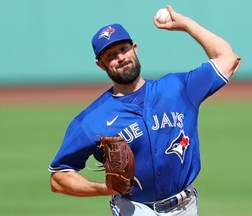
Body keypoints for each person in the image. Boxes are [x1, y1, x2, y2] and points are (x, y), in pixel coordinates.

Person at [48, 5, 241, 216]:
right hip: (133, 209)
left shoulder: (178, 89)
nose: (120, 57)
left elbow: (228, 58)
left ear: (135, 49)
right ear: (101, 65)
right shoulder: (92, 120)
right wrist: (104, 188)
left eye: (123, 49)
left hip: (186, 207)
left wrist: (186, 24)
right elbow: (59, 178)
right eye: (111, 55)